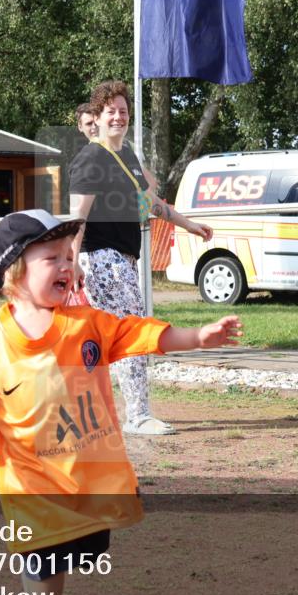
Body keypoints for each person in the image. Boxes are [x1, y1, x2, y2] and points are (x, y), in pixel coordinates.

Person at [0, 210, 242, 595]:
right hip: (31, 479)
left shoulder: (86, 324)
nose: (67, 266)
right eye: (51, 258)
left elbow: (143, 334)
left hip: (86, 473)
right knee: (43, 555)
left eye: (68, 256)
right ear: (14, 271)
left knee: (77, 552)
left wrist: (198, 336)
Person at [68, 80, 214, 435]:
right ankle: (137, 415)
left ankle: (83, 409)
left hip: (123, 259)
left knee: (109, 337)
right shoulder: (92, 157)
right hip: (102, 259)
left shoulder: (127, 155)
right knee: (132, 330)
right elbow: (78, 217)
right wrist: (70, 260)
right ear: (98, 118)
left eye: (123, 111)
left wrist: (187, 224)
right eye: (110, 111)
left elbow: (151, 204)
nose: (118, 117)